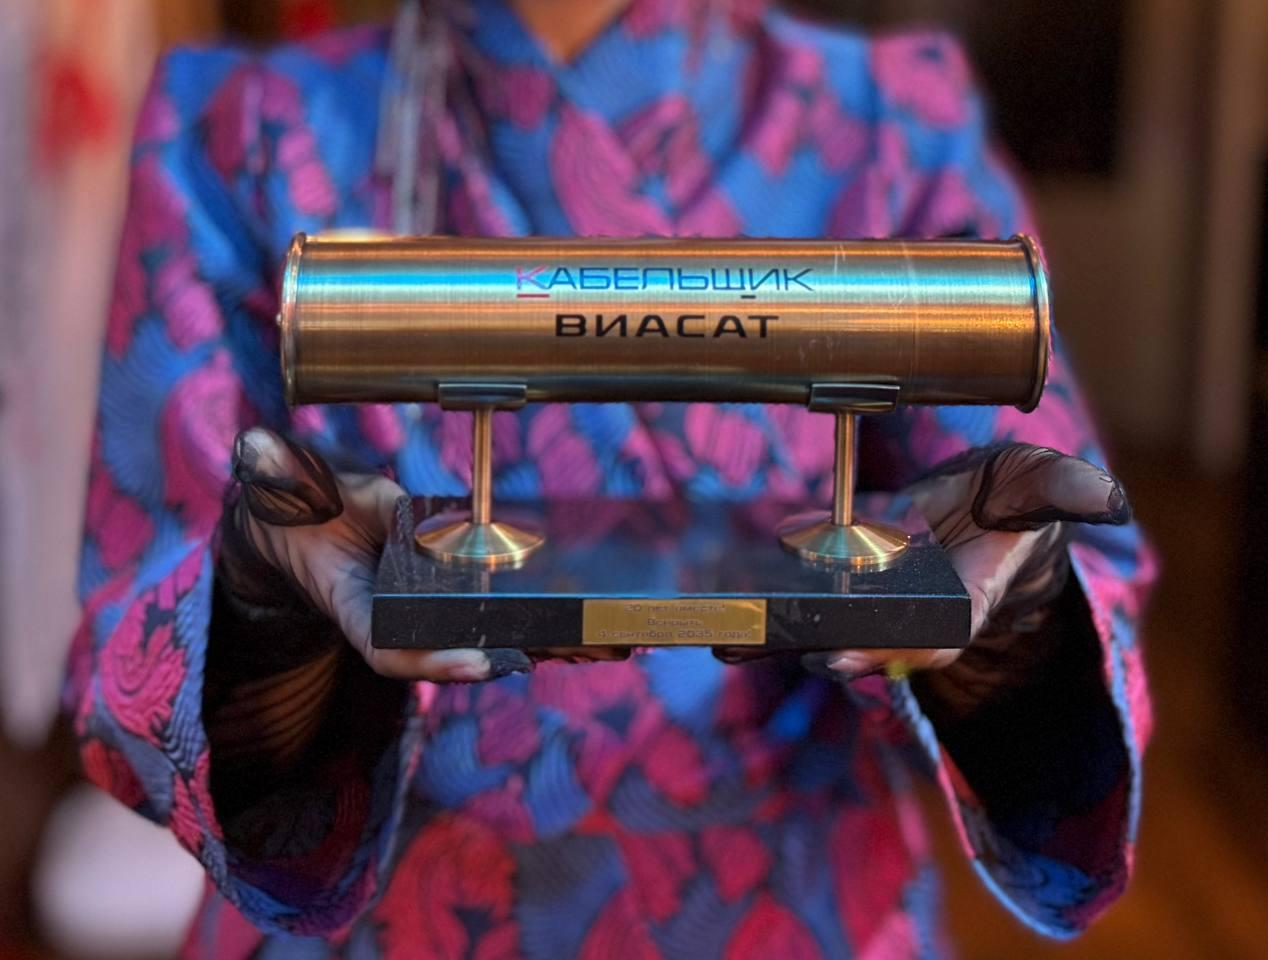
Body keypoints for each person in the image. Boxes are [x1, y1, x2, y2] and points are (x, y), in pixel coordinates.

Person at [67, 0, 1155, 956]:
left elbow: (1042, 525)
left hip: (793, 902)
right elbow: (140, 613)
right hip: (384, 918)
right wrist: (265, 622)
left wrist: (1015, 632)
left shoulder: (890, 118)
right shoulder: (244, 127)